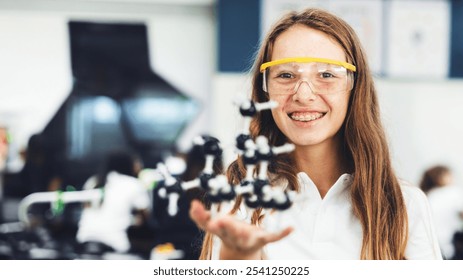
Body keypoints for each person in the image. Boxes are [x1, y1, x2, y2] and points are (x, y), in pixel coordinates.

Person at [190, 8, 441, 260]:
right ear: (265, 89)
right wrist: (237, 261)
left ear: (355, 88)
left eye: (327, 75)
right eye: (286, 75)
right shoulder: (239, 197)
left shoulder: (404, 204)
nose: (303, 94)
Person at [76, 149, 150, 254]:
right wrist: (132, 220)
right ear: (127, 164)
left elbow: (87, 209)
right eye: (136, 162)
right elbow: (145, 217)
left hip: (84, 240)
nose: (139, 165)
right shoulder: (134, 184)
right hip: (114, 244)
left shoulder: (93, 181)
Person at [419, 165, 463, 259]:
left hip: (434, 246)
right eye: (450, 175)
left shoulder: (427, 196)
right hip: (452, 244)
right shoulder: (452, 192)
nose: (453, 178)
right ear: (441, 177)